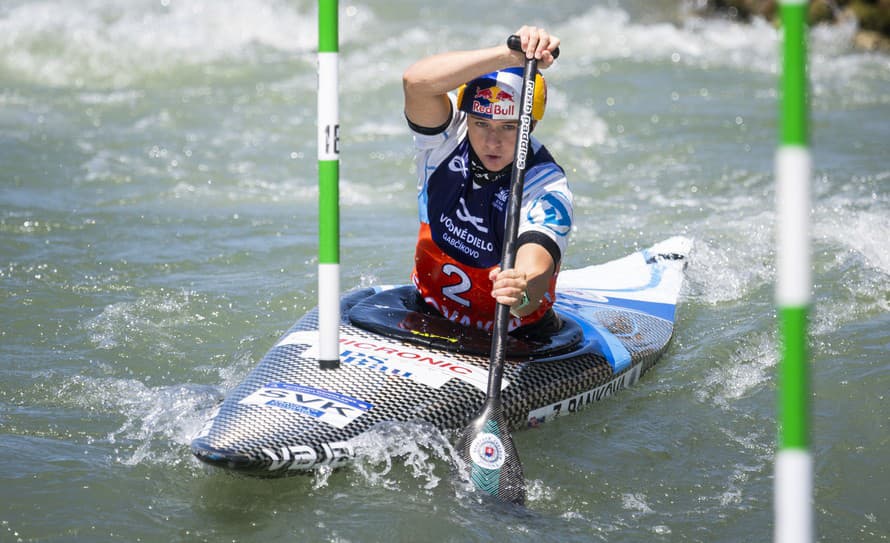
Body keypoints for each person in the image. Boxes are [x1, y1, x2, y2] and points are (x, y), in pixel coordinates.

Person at [402, 26, 573, 335]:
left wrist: (519, 289)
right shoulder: (447, 137)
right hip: (428, 312)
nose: (492, 141)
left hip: (515, 335)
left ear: (530, 125)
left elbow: (534, 269)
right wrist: (508, 55)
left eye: (508, 127)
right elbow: (416, 83)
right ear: (467, 116)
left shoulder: (546, 187)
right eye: (482, 123)